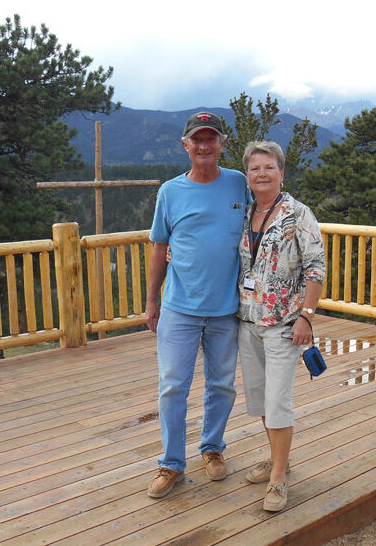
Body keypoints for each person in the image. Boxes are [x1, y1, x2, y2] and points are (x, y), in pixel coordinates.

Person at [145, 111, 250, 498]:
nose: (204, 145)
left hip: (226, 308)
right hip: (179, 307)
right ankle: (171, 463)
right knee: (173, 386)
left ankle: (212, 448)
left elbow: (262, 221)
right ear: (185, 145)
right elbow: (159, 247)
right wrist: (152, 299)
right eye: (197, 139)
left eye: (212, 138)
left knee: (221, 386)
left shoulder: (239, 184)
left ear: (223, 143)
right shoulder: (170, 192)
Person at [237, 140, 325, 512]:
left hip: (284, 324)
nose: (261, 174)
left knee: (278, 402)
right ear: (247, 175)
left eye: (269, 167)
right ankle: (279, 460)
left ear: (281, 173)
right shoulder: (243, 213)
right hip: (247, 320)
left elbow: (315, 267)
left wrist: (307, 315)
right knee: (259, 400)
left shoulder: (298, 214)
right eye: (255, 168)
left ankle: (277, 479)